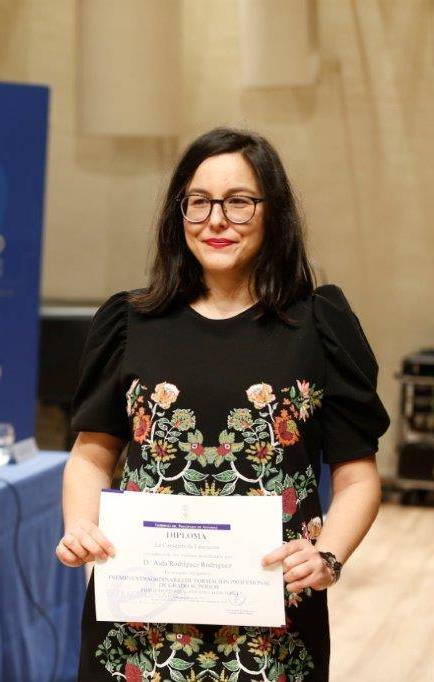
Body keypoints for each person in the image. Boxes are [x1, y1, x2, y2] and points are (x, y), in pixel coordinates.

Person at [57, 128, 390, 681]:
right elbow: (90, 455)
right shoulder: (128, 323)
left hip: (273, 624)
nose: (216, 220)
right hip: (139, 624)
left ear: (273, 212)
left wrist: (328, 555)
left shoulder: (318, 326)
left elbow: (357, 478)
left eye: (239, 202)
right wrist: (80, 528)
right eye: (199, 202)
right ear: (178, 213)